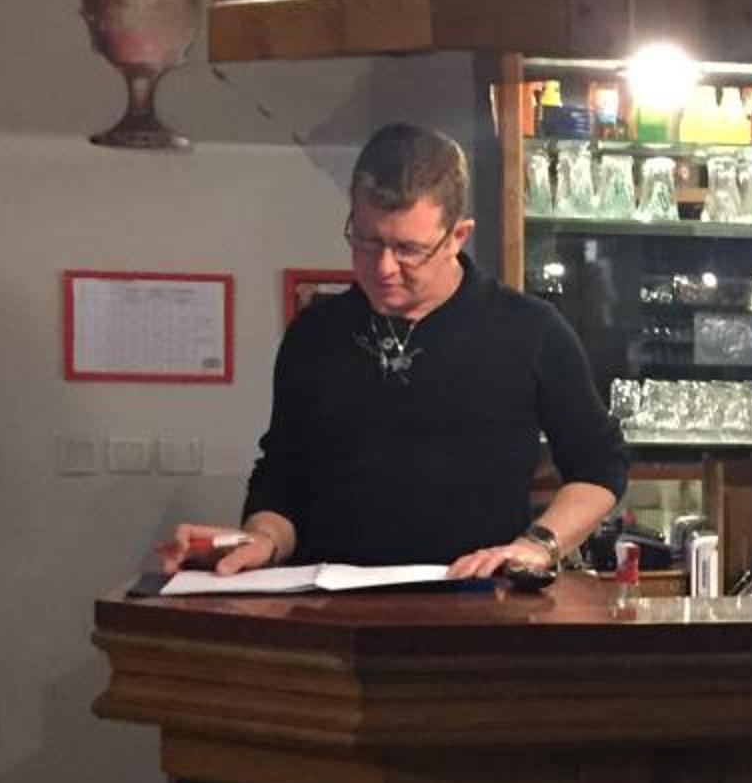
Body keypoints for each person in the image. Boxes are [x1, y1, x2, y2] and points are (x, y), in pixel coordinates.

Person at [157, 124, 628, 582]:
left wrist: (538, 545)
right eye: (367, 241)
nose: (383, 267)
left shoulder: (530, 330)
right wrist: (262, 539)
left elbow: (599, 465)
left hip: (477, 603)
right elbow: (282, 479)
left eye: (408, 249)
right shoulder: (315, 334)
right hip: (328, 609)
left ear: (458, 236)